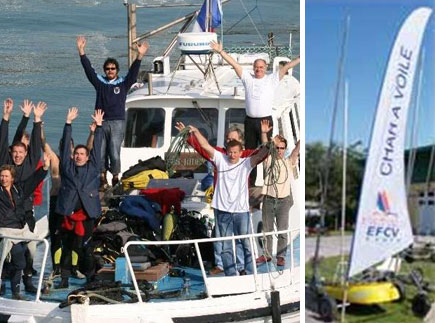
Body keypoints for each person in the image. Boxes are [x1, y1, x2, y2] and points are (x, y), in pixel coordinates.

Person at [175, 120, 270, 275]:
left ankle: (247, 271)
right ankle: (229, 272)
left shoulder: (246, 159)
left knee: (245, 242)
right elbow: (204, 147)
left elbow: (263, 153)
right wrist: (191, 134)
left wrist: (265, 135)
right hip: (223, 209)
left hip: (241, 211)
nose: (232, 152)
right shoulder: (220, 156)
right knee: (225, 244)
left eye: (234, 143)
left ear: (241, 148)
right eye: (228, 142)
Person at [210, 41, 300, 186]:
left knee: (267, 152)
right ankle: (249, 183)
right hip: (250, 121)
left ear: (266, 68)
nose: (258, 69)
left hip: (266, 122)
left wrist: (300, 59)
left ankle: (269, 182)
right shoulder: (247, 78)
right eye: (256, 67)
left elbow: (287, 67)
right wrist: (221, 52)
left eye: (261, 67)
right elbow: (234, 64)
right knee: (250, 154)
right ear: (253, 68)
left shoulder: (272, 79)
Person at [76, 36, 149, 190]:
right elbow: (88, 70)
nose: (110, 71)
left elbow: (133, 73)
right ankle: (103, 178)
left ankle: (115, 176)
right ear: (105, 70)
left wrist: (140, 55)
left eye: (113, 68)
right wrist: (81, 51)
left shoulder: (123, 83)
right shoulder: (100, 83)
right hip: (101, 121)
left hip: (117, 122)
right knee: (100, 152)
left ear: (117, 70)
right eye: (108, 69)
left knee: (114, 152)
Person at [1, 98, 46, 292]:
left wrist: (36, 120)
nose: (18, 155)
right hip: (5, 216)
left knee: (31, 248)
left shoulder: (29, 164)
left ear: (26, 154)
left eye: (21, 152)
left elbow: (35, 146)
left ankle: (27, 279)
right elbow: (4, 141)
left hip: (26, 214)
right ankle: (3, 281)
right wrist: (6, 117)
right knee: (4, 250)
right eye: (15, 152)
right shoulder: (6, 164)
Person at [55, 108, 104, 288]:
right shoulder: (66, 167)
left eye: (82, 154)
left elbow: (98, 148)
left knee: (86, 247)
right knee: (67, 247)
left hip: (87, 214)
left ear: (87, 157)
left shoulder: (93, 168)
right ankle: (64, 279)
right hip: (68, 213)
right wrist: (68, 124)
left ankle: (90, 277)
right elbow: (64, 144)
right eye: (76, 153)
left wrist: (99, 127)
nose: (78, 156)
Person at [41, 122, 95, 278]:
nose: (65, 148)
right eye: (62, 145)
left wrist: (92, 133)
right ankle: (56, 268)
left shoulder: (76, 164)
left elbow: (89, 148)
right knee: (56, 236)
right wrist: (40, 125)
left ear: (72, 149)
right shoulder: (56, 160)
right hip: (57, 200)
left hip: (73, 203)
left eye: (68, 146)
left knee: (75, 237)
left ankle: (73, 267)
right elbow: (43, 143)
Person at [0, 160, 49, 300]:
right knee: (19, 261)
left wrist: (44, 168)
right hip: (6, 231)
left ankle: (16, 292)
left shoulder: (18, 189)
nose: (3, 179)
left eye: (6, 176)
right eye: (2, 176)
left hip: (21, 230)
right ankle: (5, 283)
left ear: (12, 178)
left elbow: (33, 181)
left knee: (21, 260)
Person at [256, 138, 299, 267]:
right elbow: (266, 148)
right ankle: (267, 255)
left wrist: (300, 143)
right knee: (267, 230)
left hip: (284, 201)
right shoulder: (269, 161)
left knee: (282, 230)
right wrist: (265, 135)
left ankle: (281, 256)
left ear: (285, 150)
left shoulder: (288, 162)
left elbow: (295, 153)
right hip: (268, 199)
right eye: (277, 148)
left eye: (282, 148)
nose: (279, 150)